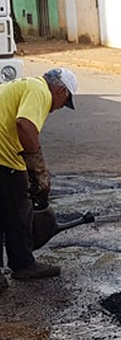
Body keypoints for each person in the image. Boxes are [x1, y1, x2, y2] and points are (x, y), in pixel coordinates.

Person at [0, 67, 77, 284]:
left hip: (4, 153)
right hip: (3, 159)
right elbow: (24, 124)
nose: (59, 108)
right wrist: (37, 166)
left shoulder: (23, 84)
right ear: (61, 91)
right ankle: (24, 265)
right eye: (65, 102)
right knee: (18, 211)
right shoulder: (39, 91)